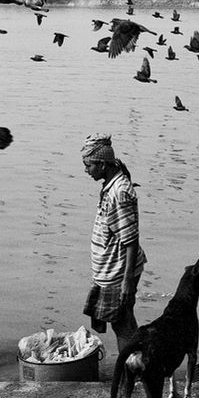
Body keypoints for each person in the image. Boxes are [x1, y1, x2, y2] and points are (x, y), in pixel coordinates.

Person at [81, 134, 146, 352]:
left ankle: (133, 370)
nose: (86, 170)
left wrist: (127, 280)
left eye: (88, 165)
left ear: (101, 164)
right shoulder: (111, 185)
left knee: (123, 325)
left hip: (119, 272)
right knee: (123, 322)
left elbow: (131, 239)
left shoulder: (119, 192)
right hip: (111, 269)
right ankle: (136, 366)